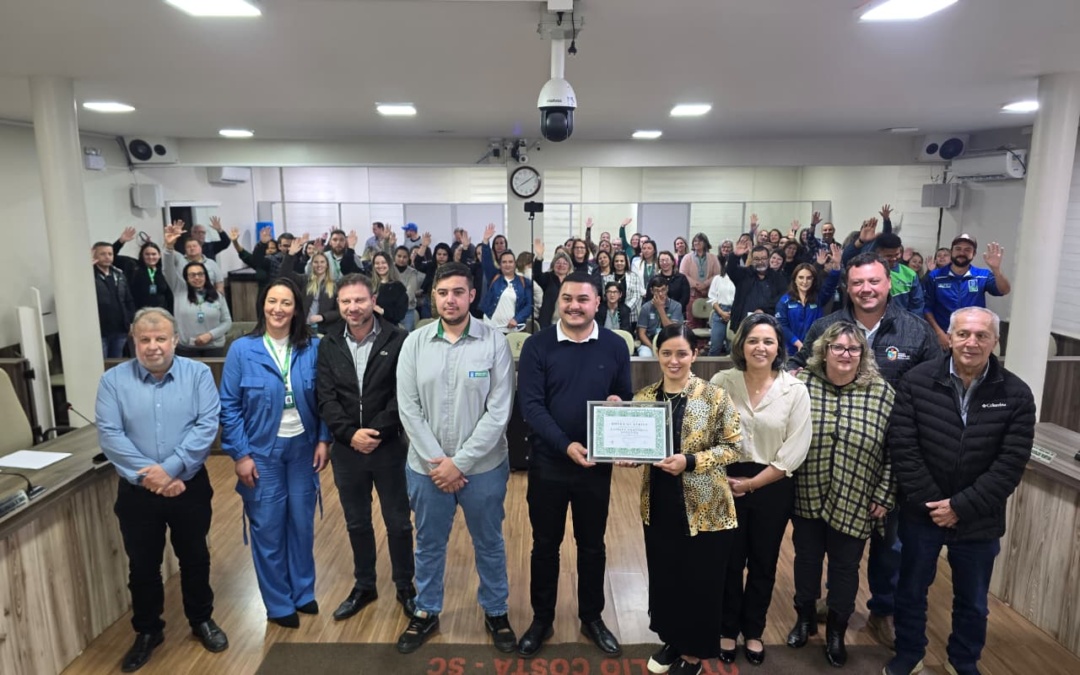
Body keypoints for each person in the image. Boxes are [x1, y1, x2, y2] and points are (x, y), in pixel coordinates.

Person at [788, 252, 936, 651]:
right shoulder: (825, 325)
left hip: (887, 458)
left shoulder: (915, 331)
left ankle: (880, 611)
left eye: (873, 282)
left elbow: (933, 387)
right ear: (847, 287)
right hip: (818, 469)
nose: (865, 289)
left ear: (889, 283)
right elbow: (794, 369)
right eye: (857, 283)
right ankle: (812, 611)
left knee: (886, 549)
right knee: (810, 553)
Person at [884, 307, 1035, 675]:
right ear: (948, 338)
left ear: (994, 342)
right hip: (923, 511)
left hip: (979, 517)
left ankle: (963, 660)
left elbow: (1010, 464)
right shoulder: (916, 382)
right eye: (964, 334)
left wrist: (961, 506)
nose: (972, 342)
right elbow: (903, 447)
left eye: (982, 335)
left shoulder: (1016, 394)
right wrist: (935, 504)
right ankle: (909, 653)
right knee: (911, 589)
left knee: (974, 601)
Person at [94, 307, 228, 673]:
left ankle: (201, 619)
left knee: (195, 557)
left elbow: (206, 426)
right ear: (134, 342)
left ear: (174, 341)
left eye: (160, 339)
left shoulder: (198, 374)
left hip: (189, 485)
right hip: (138, 493)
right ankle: (148, 631)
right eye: (144, 340)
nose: (153, 347)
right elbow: (110, 434)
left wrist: (169, 471)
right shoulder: (113, 381)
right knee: (143, 566)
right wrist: (150, 477)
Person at [394, 262, 517, 654]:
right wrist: (439, 462)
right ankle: (426, 610)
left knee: (489, 542)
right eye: (443, 292)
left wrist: (458, 463)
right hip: (427, 469)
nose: (450, 299)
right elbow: (408, 409)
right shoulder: (414, 343)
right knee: (429, 543)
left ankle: (496, 610)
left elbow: (499, 413)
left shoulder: (493, 341)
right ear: (434, 296)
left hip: (482, 469)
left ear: (472, 296)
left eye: (458, 292)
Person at [517, 272, 633, 658]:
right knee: (545, 545)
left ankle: (592, 617)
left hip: (596, 467)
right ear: (558, 302)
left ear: (598, 303)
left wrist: (619, 404)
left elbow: (625, 394)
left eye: (583, 299)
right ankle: (542, 618)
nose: (573, 306)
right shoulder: (537, 346)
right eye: (567, 298)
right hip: (549, 463)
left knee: (592, 546)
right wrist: (566, 445)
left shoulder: (615, 346)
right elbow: (531, 407)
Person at [218, 278, 331, 629]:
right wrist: (240, 454)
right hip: (260, 452)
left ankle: (302, 591)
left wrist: (324, 439)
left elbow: (326, 399)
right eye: (272, 301)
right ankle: (278, 601)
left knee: (301, 523)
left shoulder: (312, 347)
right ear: (262, 306)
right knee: (267, 527)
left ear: (296, 309)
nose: (278, 309)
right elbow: (229, 407)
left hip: (303, 448)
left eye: (286, 303)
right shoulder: (242, 350)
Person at [634, 324, 743, 675]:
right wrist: (627, 456)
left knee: (701, 581)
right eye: (666, 353)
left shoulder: (714, 396)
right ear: (657, 355)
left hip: (706, 506)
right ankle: (673, 639)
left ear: (694, 354)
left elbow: (734, 445)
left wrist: (691, 461)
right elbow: (637, 447)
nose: (674, 360)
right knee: (667, 576)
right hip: (660, 503)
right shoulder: (645, 397)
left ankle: (695, 654)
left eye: (682, 353)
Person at [787, 323, 894, 667]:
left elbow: (896, 449)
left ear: (863, 355)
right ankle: (804, 619)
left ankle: (836, 631)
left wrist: (885, 492)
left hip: (857, 494)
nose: (846, 355)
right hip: (807, 489)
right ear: (824, 350)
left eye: (854, 349)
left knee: (846, 569)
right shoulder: (801, 384)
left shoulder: (881, 392)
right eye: (838, 348)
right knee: (806, 560)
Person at [710, 314, 811, 666]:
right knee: (729, 561)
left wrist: (752, 483)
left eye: (768, 341)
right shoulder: (722, 381)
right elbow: (704, 432)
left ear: (778, 347)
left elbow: (794, 450)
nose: (760, 347)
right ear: (741, 345)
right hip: (725, 480)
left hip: (772, 484)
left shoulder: (794, 390)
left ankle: (753, 631)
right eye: (753, 340)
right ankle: (726, 628)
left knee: (764, 563)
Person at [317, 274, 417, 622]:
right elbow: (325, 397)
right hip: (347, 451)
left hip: (388, 446)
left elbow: (402, 394)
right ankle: (365, 585)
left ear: (372, 300)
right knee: (357, 522)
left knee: (399, 523)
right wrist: (349, 434)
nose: (352, 308)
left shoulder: (398, 338)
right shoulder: (328, 343)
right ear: (339, 305)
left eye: (359, 300)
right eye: (345, 302)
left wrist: (374, 431)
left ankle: (405, 585)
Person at [924, 234, 1012, 350]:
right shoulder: (935, 276)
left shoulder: (982, 275)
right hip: (943, 338)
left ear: (974, 254)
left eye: (967, 250)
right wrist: (939, 333)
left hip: (972, 339)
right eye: (958, 249)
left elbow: (1004, 290)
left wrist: (996, 269)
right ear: (952, 252)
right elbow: (927, 308)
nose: (962, 253)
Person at [163, 224, 233, 357]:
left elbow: (227, 322)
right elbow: (167, 268)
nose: (197, 278)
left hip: (213, 346)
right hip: (186, 347)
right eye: (192, 275)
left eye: (200, 274)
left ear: (206, 276)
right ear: (186, 277)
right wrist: (168, 246)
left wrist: (210, 335)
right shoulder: (179, 290)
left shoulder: (217, 295)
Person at [775, 255, 842, 354]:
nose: (804, 282)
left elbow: (830, 285)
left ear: (813, 280)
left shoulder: (818, 298)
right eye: (801, 278)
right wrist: (797, 343)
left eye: (809, 278)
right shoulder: (785, 301)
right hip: (790, 351)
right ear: (795, 280)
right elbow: (781, 325)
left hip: (814, 350)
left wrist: (836, 266)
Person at [280, 235, 342, 336]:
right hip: (304, 327)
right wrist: (290, 255)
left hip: (324, 330)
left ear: (327, 265)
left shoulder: (335, 285)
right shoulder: (304, 280)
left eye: (322, 262)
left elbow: (339, 311)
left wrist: (323, 317)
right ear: (311, 264)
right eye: (316, 262)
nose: (319, 265)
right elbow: (284, 275)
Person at [726, 242, 788, 334]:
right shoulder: (743, 274)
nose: (760, 262)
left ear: (768, 259)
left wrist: (763, 310)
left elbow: (781, 298)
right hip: (743, 325)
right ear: (752, 260)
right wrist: (734, 256)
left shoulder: (778, 278)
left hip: (769, 324)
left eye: (763, 258)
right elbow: (731, 270)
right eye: (756, 259)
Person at [113, 228, 174, 312]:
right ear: (142, 255)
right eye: (147, 254)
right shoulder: (132, 266)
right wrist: (121, 241)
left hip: (161, 315)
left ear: (159, 255)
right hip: (140, 315)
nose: (151, 257)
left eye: (154, 254)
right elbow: (111, 257)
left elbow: (169, 297)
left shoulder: (163, 270)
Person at [93, 240, 136, 358]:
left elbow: (128, 300)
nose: (107, 257)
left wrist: (132, 322)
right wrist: (87, 267)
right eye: (103, 254)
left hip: (120, 329)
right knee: (101, 363)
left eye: (110, 254)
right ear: (94, 255)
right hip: (100, 330)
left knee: (117, 362)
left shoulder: (119, 275)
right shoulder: (89, 275)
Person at [480, 250, 532, 333]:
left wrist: (517, 319)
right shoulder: (494, 278)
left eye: (510, 262)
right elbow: (487, 262)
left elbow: (529, 305)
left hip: (513, 331)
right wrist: (485, 241)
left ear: (515, 264)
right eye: (504, 262)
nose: (507, 265)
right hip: (492, 329)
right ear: (500, 265)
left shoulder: (524, 282)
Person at [679, 233, 722, 329]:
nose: (696, 243)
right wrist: (697, 285)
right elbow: (683, 274)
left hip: (709, 295)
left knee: (708, 323)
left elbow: (717, 274)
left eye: (699, 241)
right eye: (695, 241)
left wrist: (705, 284)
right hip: (692, 294)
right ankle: (693, 344)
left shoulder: (713, 257)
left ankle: (705, 344)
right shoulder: (687, 257)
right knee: (692, 322)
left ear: (705, 243)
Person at [637, 275, 684, 357]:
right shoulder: (645, 307)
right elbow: (641, 334)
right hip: (650, 343)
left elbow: (672, 330)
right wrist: (653, 348)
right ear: (651, 291)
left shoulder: (676, 306)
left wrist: (660, 308)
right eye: (657, 291)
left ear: (667, 289)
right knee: (645, 355)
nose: (661, 294)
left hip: (671, 341)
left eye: (663, 290)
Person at [532, 240, 573, 328]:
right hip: (548, 321)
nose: (561, 265)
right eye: (558, 263)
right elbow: (537, 275)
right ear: (553, 265)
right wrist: (539, 256)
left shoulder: (573, 280)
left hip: (568, 320)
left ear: (569, 266)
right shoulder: (548, 277)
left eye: (564, 263)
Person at [604, 250, 645, 326]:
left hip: (631, 314)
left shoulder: (634, 276)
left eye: (622, 261)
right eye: (616, 261)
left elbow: (636, 296)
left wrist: (625, 309)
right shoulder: (607, 278)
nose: (619, 263)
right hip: (612, 313)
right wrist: (617, 310)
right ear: (613, 262)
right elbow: (606, 295)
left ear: (626, 262)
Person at [371, 250, 410, 326]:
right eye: (377, 263)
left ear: (389, 264)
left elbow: (400, 314)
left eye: (383, 262)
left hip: (389, 328)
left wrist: (381, 311)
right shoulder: (369, 284)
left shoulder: (398, 287)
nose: (380, 266)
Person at [706, 258, 735, 356]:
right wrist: (722, 313)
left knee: (733, 349)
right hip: (720, 312)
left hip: (735, 313)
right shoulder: (718, 278)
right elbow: (712, 298)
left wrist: (733, 313)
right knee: (715, 347)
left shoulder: (742, 280)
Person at [648, 251, 691, 317]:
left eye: (667, 260)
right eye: (662, 261)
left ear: (673, 262)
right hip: (657, 313)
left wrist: (676, 309)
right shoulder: (654, 279)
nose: (664, 263)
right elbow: (649, 297)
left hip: (678, 312)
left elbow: (685, 297)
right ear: (659, 263)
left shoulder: (681, 278)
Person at [394, 245, 426, 331]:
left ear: (408, 258)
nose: (401, 259)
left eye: (404, 257)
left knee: (407, 336)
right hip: (390, 311)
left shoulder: (413, 273)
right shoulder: (390, 270)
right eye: (399, 256)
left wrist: (397, 304)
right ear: (394, 256)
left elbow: (410, 293)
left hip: (407, 311)